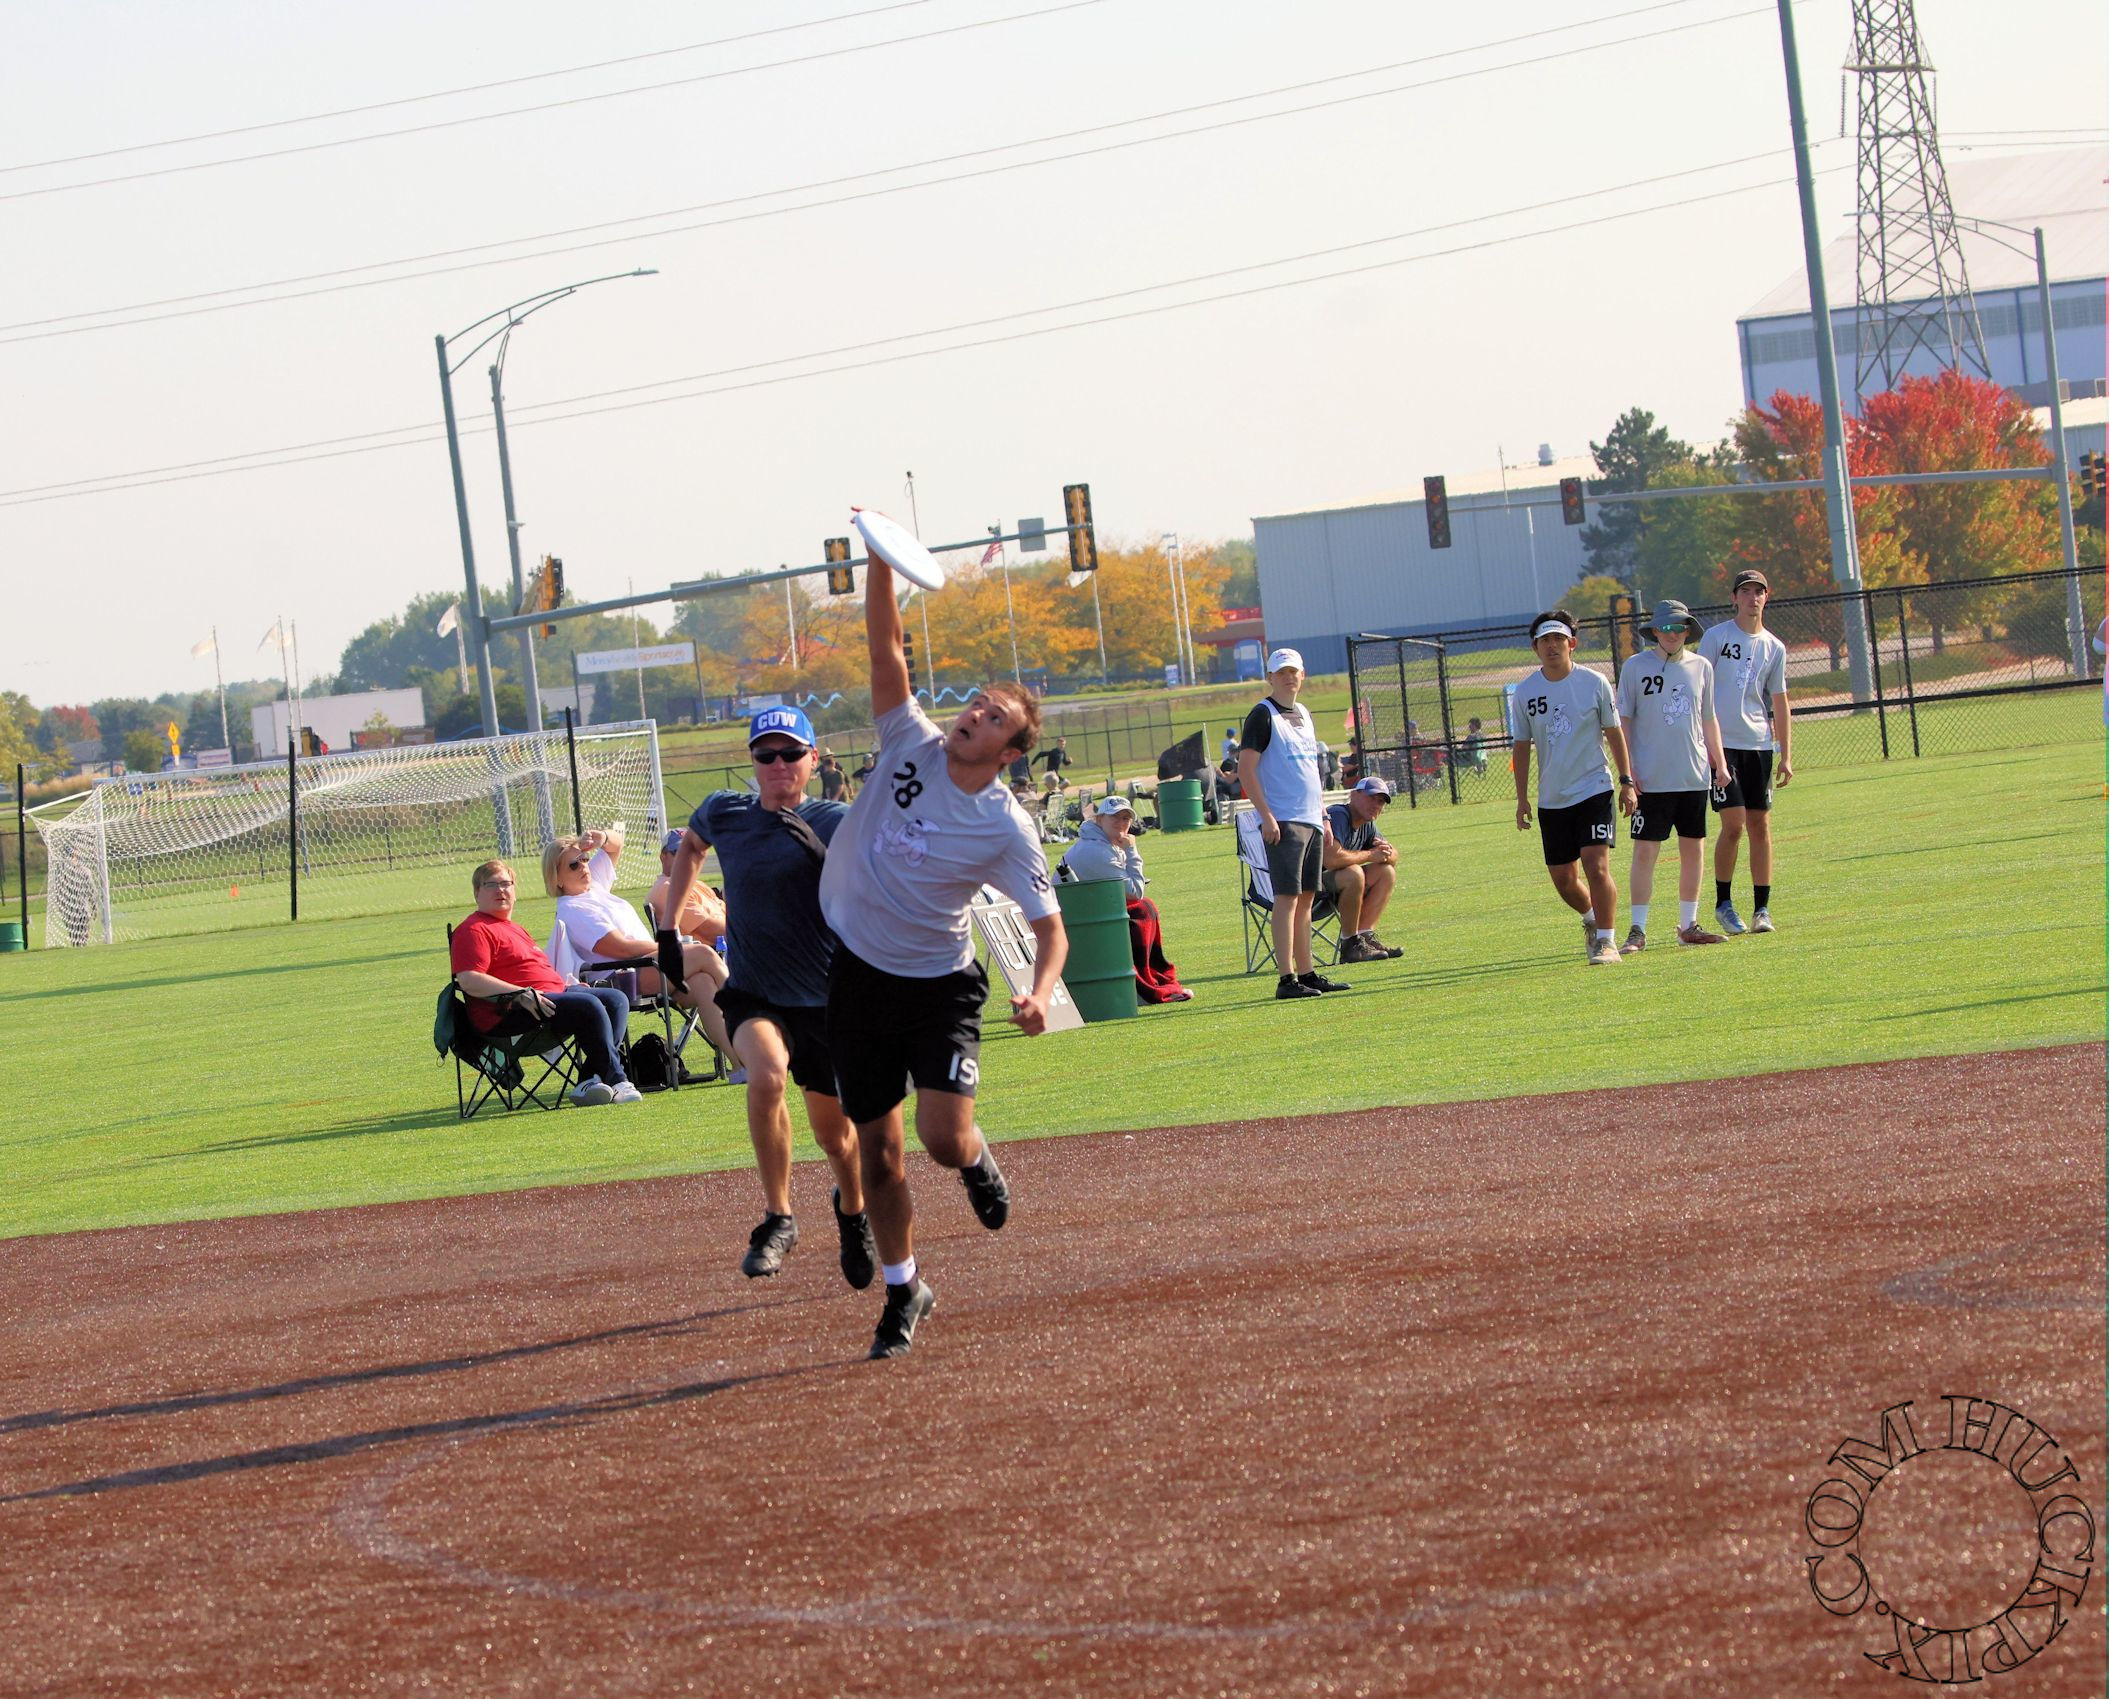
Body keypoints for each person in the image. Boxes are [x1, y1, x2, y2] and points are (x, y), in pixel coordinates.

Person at [817, 542, 1069, 1360]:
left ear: (1009, 751)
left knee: (937, 1139)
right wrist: (880, 556)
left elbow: (1049, 926)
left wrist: (1039, 992)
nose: (976, 713)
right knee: (880, 1155)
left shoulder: (1004, 824)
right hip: (858, 979)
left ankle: (975, 1157)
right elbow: (886, 650)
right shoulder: (908, 741)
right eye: (979, 703)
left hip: (937, 988)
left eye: (996, 716)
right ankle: (904, 1289)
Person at [658, 705, 876, 1289]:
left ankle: (853, 1211)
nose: (777, 764)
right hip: (756, 990)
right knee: (766, 1075)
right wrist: (667, 929)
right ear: (752, 761)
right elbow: (691, 847)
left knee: (834, 1135)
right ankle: (779, 1216)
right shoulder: (725, 812)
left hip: (826, 1000)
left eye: (790, 753)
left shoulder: (836, 819)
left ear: (813, 758)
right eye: (765, 754)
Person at [449, 859, 642, 1106]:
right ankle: (618, 1080)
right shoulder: (473, 929)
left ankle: (588, 1081)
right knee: (588, 1006)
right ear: (477, 892)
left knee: (616, 999)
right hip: (510, 1013)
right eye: (491, 885)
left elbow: (534, 973)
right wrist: (520, 993)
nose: (500, 890)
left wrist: (567, 988)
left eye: (506, 884)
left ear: (515, 891)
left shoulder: (514, 929)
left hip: (546, 1000)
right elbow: (469, 980)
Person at [1510, 609, 1635, 967]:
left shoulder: (1594, 682)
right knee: (1564, 880)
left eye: (1559, 639)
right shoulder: (1525, 692)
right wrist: (1521, 798)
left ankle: (1607, 942)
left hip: (1594, 788)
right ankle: (1593, 919)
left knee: (1597, 867)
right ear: (1535, 648)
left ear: (1572, 644)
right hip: (1552, 798)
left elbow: (1613, 732)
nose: (1552, 646)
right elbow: (1521, 745)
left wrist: (1626, 782)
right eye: (1545, 640)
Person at [544, 828, 733, 1060]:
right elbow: (622, 948)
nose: (584, 866)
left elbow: (616, 844)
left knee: (704, 983)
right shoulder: (573, 909)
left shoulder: (594, 887)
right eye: (574, 864)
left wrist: (600, 838)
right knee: (704, 953)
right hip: (623, 977)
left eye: (585, 859)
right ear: (557, 878)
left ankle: (740, 1064)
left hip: (647, 965)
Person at [1615, 601, 1730, 953]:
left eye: (1678, 628)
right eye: (1664, 628)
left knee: (1694, 850)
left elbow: (1708, 718)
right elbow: (1624, 722)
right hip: (1651, 779)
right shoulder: (1635, 667)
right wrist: (1629, 774)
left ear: (1687, 631)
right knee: (1645, 852)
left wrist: (1720, 764)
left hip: (1693, 775)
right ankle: (1637, 930)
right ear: (1654, 631)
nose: (1671, 634)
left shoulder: (1702, 667)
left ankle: (1688, 925)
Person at [1237, 647, 1348, 999]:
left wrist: (1324, 815)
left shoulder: (1303, 712)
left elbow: (1310, 771)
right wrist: (1266, 815)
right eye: (1281, 671)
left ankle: (1308, 972)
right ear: (1270, 677)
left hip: (1311, 819)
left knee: (1306, 897)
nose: (1288, 677)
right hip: (1283, 821)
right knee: (1286, 897)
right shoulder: (1262, 715)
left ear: (1303, 675)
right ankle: (1287, 979)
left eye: (1294, 671)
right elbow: (1246, 769)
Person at [1701, 569, 1793, 934]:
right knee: (1734, 823)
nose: (1753, 597)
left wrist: (1785, 754)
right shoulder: (1716, 637)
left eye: (1759, 591)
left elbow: (1780, 701)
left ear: (1766, 597)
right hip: (1723, 746)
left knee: (1760, 824)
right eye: (1746, 591)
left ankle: (1762, 909)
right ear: (1734, 597)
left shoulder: (1774, 646)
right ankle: (1723, 902)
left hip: (1758, 745)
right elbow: (1698, 687)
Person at [1060, 795, 1192, 1004]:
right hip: (1074, 921)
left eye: (1125, 818)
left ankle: (1146, 978)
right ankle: (1141, 986)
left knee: (1144, 908)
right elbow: (1135, 891)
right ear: (1099, 819)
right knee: (1142, 910)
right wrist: (1132, 851)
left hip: (1082, 910)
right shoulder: (1096, 850)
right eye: (1115, 817)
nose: (1121, 823)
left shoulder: (1101, 843)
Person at [1323, 776, 1403, 963]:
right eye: (1371, 797)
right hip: (1309, 887)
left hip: (1336, 887)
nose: (1376, 805)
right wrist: (1370, 855)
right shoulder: (1339, 815)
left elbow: (1393, 856)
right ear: (1353, 795)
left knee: (1386, 872)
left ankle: (1365, 936)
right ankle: (1350, 943)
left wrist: (1385, 853)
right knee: (1354, 873)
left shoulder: (1367, 824)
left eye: (1381, 801)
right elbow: (1332, 859)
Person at [647, 828, 727, 943]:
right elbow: (711, 932)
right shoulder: (669, 888)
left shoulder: (696, 885)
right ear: (663, 857)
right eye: (679, 852)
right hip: (712, 953)